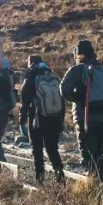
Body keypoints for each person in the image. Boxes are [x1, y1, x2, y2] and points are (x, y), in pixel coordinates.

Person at [60, 39, 103, 181]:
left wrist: (78, 98)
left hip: (86, 116)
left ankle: (102, 186)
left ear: (78, 54)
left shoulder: (78, 69)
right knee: (97, 152)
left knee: (88, 154)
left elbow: (64, 89)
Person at [19, 55, 65, 184]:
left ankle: (40, 179)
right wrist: (61, 119)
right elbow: (61, 98)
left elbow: (25, 100)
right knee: (52, 147)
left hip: (37, 118)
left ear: (30, 63)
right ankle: (59, 173)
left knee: (37, 148)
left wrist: (22, 120)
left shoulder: (31, 75)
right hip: (55, 117)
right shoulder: (52, 74)